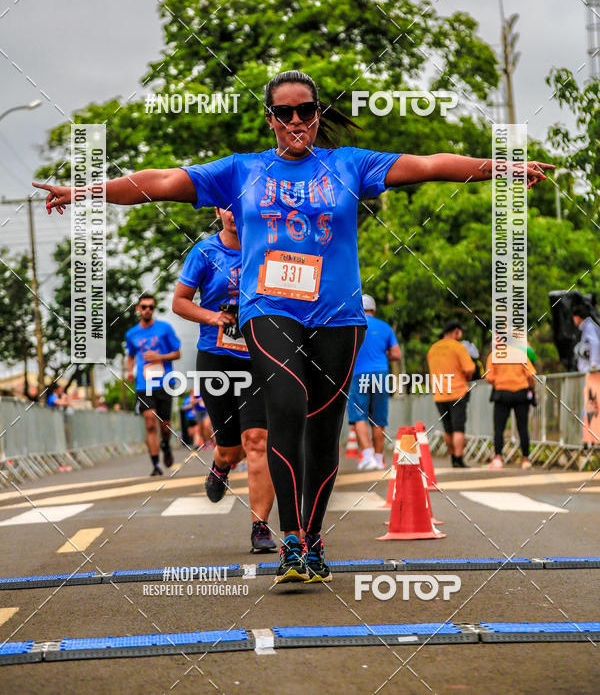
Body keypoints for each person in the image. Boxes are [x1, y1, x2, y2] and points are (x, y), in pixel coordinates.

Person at [34, 68, 552, 583]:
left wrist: (498, 167)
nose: (297, 120)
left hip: (338, 316)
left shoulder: (349, 165)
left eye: (306, 110)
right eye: (285, 113)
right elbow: (161, 182)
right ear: (270, 119)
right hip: (269, 311)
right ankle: (289, 541)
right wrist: (85, 191)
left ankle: (314, 538)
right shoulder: (241, 171)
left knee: (324, 432)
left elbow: (428, 164)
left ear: (318, 114)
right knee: (284, 412)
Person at [172, 207, 276, 554]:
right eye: (227, 207)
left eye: (240, 205)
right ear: (218, 211)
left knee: (258, 440)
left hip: (259, 358)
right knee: (232, 448)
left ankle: (260, 527)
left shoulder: (268, 246)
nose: (234, 214)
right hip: (216, 359)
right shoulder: (204, 252)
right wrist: (213, 316)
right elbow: (180, 302)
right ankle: (220, 465)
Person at [125, 293, 181, 476]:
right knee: (150, 422)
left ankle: (165, 444)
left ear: (153, 309)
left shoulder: (165, 329)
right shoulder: (131, 334)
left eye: (151, 307)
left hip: (164, 382)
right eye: (144, 307)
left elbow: (177, 353)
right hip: (144, 384)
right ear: (138, 309)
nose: (147, 309)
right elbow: (131, 355)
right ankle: (156, 465)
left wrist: (160, 357)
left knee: (164, 426)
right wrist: (129, 371)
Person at [347, 294, 402, 470]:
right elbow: (396, 354)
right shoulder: (385, 327)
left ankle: (368, 455)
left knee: (359, 415)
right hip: (380, 374)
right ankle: (379, 458)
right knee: (379, 417)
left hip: (358, 374)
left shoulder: (353, 327)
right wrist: (382, 355)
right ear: (374, 309)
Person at [426, 320, 475, 468]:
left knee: (447, 429)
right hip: (457, 392)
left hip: (439, 395)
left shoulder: (432, 349)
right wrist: (467, 377)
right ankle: (459, 459)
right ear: (456, 332)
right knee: (458, 428)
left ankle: (452, 457)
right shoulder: (458, 347)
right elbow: (470, 369)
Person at [485, 341, 536, 470]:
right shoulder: (520, 354)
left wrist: (500, 381)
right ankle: (525, 460)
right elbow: (530, 375)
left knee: (499, 428)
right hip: (521, 393)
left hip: (502, 394)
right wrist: (531, 389)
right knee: (523, 427)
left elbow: (489, 378)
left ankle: (498, 459)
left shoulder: (494, 355)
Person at [572, 303, 600, 445]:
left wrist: (594, 365)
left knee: (592, 405)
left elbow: (595, 343)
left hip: (593, 375)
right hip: (592, 374)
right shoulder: (589, 327)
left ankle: (592, 438)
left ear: (577, 317)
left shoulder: (588, 327)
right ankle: (591, 438)